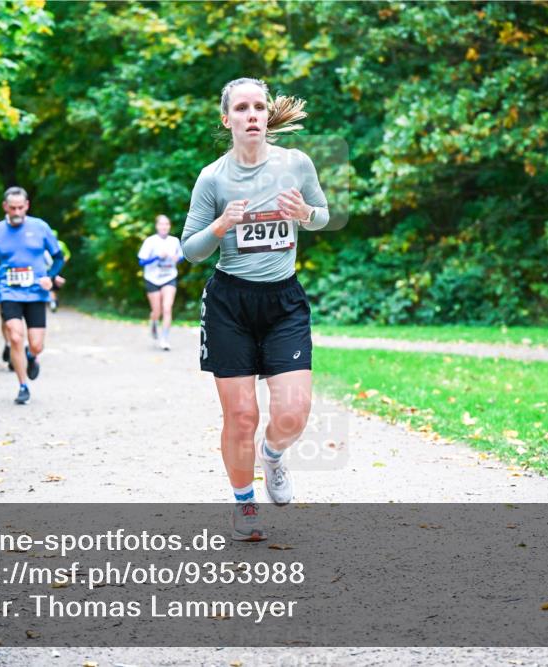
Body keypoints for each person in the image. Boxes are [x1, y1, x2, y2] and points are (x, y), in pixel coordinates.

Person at [181, 78, 329, 541]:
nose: (252, 115)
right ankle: (244, 501)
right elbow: (190, 250)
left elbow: (323, 215)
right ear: (227, 119)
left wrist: (305, 214)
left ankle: (273, 455)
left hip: (283, 301)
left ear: (267, 116)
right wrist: (221, 225)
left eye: (259, 107)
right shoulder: (212, 177)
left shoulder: (296, 164)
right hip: (230, 304)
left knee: (294, 413)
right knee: (241, 415)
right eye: (242, 108)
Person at [0, 186, 65, 405]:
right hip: (9, 292)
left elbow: (58, 257)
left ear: (27, 206)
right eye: (12, 208)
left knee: (36, 345)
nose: (17, 212)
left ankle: (31, 357)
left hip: (36, 293)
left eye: (20, 207)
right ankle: (23, 386)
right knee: (16, 337)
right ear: (5, 207)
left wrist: (50, 277)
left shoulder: (40, 227)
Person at [137, 214, 183, 350]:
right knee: (156, 311)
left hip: (169, 278)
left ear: (169, 226)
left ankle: (164, 339)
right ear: (157, 226)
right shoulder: (150, 241)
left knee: (167, 308)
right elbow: (141, 262)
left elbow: (181, 257)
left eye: (167, 224)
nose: (164, 226)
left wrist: (178, 258)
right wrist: (157, 257)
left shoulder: (174, 241)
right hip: (152, 279)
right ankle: (153, 322)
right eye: (161, 224)